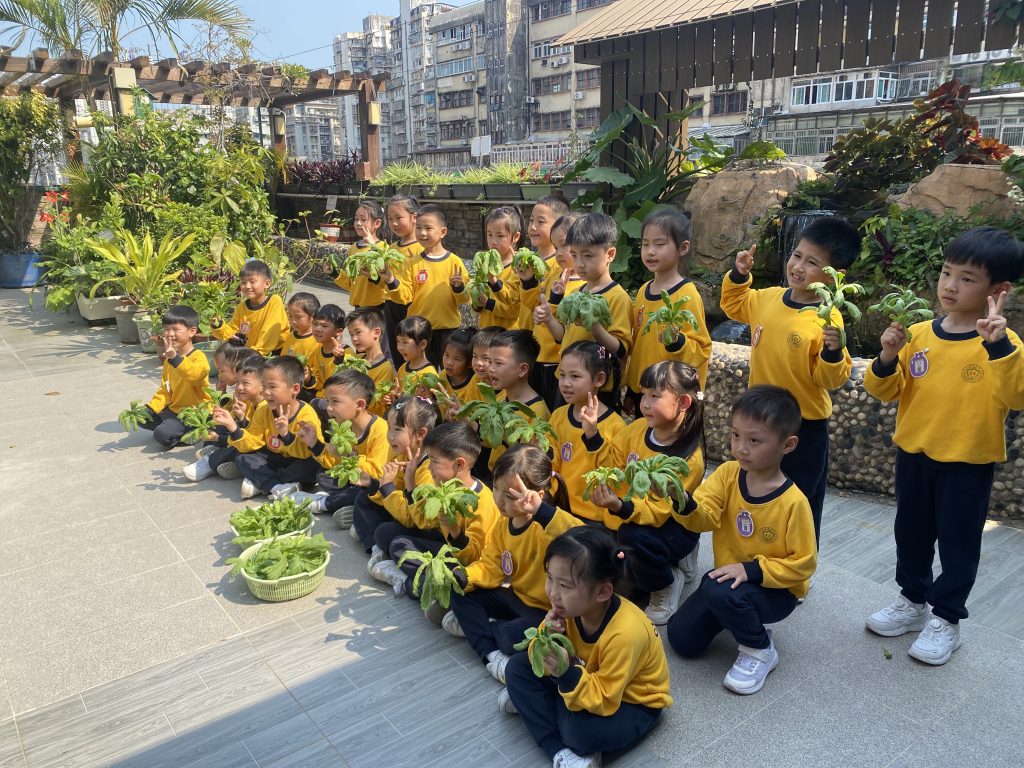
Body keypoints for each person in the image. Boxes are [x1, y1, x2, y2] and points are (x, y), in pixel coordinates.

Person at [863, 227, 1024, 665]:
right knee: (911, 534)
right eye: (947, 272)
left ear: (998, 291)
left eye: (967, 278)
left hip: (967, 466)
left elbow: (1016, 397)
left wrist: (998, 346)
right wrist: (886, 356)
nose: (950, 285)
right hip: (914, 457)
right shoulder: (918, 333)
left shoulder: (1003, 345)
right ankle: (912, 601)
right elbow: (884, 390)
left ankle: (947, 619)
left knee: (958, 546)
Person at [666, 385, 816, 695]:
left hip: (776, 591)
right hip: (729, 580)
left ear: (788, 445)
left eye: (754, 440)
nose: (741, 448)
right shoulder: (727, 474)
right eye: (735, 435)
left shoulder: (794, 503)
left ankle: (760, 649)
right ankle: (734, 612)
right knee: (681, 640)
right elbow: (704, 517)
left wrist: (750, 570)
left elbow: (803, 565)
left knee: (718, 590)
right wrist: (683, 502)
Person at [720, 217, 860, 544]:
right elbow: (734, 304)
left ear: (834, 276)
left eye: (812, 262)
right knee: (757, 490)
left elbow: (830, 378)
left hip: (803, 427)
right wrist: (739, 274)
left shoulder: (828, 318)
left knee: (800, 500)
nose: (798, 266)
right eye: (797, 255)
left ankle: (797, 561)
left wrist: (833, 351)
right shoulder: (767, 299)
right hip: (759, 421)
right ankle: (757, 551)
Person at [501, 527, 672, 768]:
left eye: (565, 585)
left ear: (602, 592)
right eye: (550, 578)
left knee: (579, 732)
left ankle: (539, 709)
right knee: (517, 668)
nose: (553, 593)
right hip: (586, 678)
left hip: (632, 701)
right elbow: (537, 660)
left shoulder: (625, 633)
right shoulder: (570, 608)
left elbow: (605, 698)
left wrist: (564, 674)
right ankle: (559, 749)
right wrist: (547, 638)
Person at [448, 445, 582, 685]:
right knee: (459, 592)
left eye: (510, 496)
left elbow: (583, 537)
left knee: (510, 636)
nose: (499, 500)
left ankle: (482, 628)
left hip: (546, 612)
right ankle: (492, 655)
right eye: (496, 488)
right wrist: (466, 576)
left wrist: (542, 512)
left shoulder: (548, 527)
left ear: (538, 496)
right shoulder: (503, 525)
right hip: (515, 597)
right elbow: (491, 566)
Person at [585, 361, 705, 626]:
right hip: (632, 514)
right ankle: (665, 561)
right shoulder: (638, 430)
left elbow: (659, 512)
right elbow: (612, 463)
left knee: (633, 537)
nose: (645, 404)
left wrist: (619, 506)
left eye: (655, 396)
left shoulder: (688, 458)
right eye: (644, 394)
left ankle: (666, 583)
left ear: (683, 402)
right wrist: (593, 434)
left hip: (671, 525)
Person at [369, 422, 497, 601]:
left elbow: (474, 558)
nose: (429, 468)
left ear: (459, 464)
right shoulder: (443, 488)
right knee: (387, 534)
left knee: (401, 547)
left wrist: (454, 530)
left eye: (434, 461)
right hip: (444, 544)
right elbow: (423, 521)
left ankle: (411, 583)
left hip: (463, 561)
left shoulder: (481, 501)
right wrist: (410, 484)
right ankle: (422, 583)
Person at [625, 208, 712, 417]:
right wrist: (632, 389)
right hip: (645, 390)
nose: (650, 251)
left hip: (670, 397)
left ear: (683, 248)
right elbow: (639, 346)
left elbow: (702, 350)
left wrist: (677, 342)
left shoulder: (687, 295)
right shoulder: (644, 291)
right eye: (645, 244)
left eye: (659, 244)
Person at [541, 213, 633, 409]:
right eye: (574, 255)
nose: (579, 263)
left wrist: (595, 327)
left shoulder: (617, 297)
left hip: (599, 389)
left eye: (588, 256)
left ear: (610, 255)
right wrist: (549, 318)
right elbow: (564, 337)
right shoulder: (577, 293)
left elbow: (621, 349)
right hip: (568, 382)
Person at [213, 356, 323, 500]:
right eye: (264, 386)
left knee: (312, 465)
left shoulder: (306, 415)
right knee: (243, 458)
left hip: (299, 460)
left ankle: (263, 482)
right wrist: (233, 427)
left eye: (272, 387)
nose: (266, 392)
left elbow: (305, 453)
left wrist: (287, 435)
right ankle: (277, 487)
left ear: (294, 389)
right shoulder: (264, 410)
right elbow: (254, 441)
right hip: (275, 458)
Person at [290, 370, 389, 530]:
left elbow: (377, 472)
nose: (329, 408)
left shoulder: (381, 430)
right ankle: (347, 506)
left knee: (361, 493)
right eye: (327, 400)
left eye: (335, 401)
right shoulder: (343, 426)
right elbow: (334, 462)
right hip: (353, 480)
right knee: (323, 475)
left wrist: (348, 457)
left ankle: (324, 503)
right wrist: (314, 443)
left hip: (371, 485)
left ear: (360, 405)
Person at [354, 395, 439, 567]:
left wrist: (387, 487)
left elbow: (413, 519)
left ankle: (371, 536)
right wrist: (373, 484)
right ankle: (376, 549)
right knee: (363, 498)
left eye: (398, 429)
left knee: (385, 533)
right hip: (400, 508)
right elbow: (394, 493)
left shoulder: (430, 468)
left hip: (422, 524)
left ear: (420, 434)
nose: (390, 436)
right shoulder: (400, 453)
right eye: (389, 427)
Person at [548, 341, 626, 525]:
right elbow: (551, 464)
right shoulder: (558, 415)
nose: (565, 383)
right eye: (562, 375)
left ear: (599, 379)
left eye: (575, 376)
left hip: (593, 517)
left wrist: (593, 435)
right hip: (559, 507)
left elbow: (614, 475)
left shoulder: (616, 426)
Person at [385, 204, 470, 366]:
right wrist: (391, 280)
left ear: (443, 232)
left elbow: (464, 299)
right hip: (419, 331)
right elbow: (404, 297)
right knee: (420, 371)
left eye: (428, 228)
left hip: (447, 329)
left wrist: (458, 287)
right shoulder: (412, 263)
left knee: (447, 371)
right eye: (418, 228)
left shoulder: (454, 262)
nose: (422, 233)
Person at [184, 349, 264, 481]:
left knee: (238, 452)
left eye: (245, 383)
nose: (239, 387)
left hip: (264, 452)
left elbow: (255, 440)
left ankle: (212, 460)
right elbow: (248, 429)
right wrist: (239, 417)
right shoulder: (249, 397)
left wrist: (220, 437)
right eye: (238, 382)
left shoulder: (264, 406)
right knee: (219, 426)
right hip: (249, 442)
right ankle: (229, 460)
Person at [137, 305, 210, 448]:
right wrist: (152, 408)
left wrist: (176, 359)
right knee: (141, 417)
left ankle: (195, 430)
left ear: (192, 331)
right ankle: (172, 426)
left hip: (193, 412)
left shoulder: (199, 357)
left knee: (162, 435)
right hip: (175, 409)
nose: (170, 334)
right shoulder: (169, 361)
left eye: (176, 329)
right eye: (166, 329)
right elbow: (165, 389)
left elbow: (195, 376)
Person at [531, 212, 584, 410]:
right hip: (539, 356)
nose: (559, 253)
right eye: (556, 247)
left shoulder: (584, 286)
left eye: (564, 245)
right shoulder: (554, 275)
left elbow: (563, 330)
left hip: (559, 364)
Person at [484, 329, 550, 473]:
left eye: (498, 363)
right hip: (494, 474)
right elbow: (490, 440)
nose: (491, 368)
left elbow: (530, 460)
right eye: (490, 362)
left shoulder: (536, 412)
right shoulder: (501, 397)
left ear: (522, 369)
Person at [210, 259, 289, 355]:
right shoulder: (242, 308)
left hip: (273, 354)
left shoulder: (274, 302)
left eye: (252, 281)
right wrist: (219, 327)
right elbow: (233, 334)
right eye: (243, 282)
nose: (247, 286)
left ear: (267, 284)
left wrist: (253, 354)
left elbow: (269, 333)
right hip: (251, 354)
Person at [517, 195, 570, 333]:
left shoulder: (560, 265)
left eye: (541, 222)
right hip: (524, 331)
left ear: (558, 226)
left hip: (544, 337)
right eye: (531, 220)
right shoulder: (527, 260)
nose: (533, 227)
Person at [381, 195, 424, 361]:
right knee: (397, 350)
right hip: (391, 305)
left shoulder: (422, 248)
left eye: (399, 218)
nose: (394, 223)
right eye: (390, 219)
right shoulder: (391, 248)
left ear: (414, 217)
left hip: (412, 306)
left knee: (415, 352)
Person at [466, 206, 523, 329]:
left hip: (507, 335)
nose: (493, 241)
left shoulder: (519, 269)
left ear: (515, 237)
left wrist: (489, 302)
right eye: (490, 234)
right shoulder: (485, 264)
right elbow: (476, 304)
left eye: (500, 236)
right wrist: (477, 303)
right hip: (485, 331)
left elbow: (514, 310)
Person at [332, 200, 388, 313]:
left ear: (377, 223)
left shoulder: (383, 248)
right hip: (358, 307)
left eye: (363, 219)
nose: (358, 223)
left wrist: (373, 245)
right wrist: (334, 273)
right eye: (356, 219)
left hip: (379, 308)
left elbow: (385, 280)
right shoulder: (353, 248)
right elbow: (351, 282)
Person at [344, 307, 395, 418]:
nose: (354, 338)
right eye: (351, 334)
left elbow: (377, 403)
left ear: (376, 332)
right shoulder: (357, 359)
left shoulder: (385, 368)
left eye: (358, 332)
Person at [303, 303, 347, 415]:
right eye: (315, 324)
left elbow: (344, 383)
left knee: (315, 403)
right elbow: (319, 381)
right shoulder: (318, 351)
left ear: (338, 331)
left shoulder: (346, 353)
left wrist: (339, 358)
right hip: (321, 396)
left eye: (324, 326)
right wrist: (309, 379)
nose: (318, 329)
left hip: (337, 402)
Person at [392, 315, 438, 400]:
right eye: (398, 341)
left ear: (422, 344)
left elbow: (428, 405)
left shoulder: (429, 375)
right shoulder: (403, 368)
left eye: (405, 342)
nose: (400, 347)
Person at [279, 292, 321, 363]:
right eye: (290, 316)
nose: (293, 321)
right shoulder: (290, 336)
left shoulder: (317, 341)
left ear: (312, 316)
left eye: (298, 317)